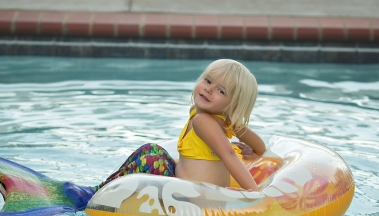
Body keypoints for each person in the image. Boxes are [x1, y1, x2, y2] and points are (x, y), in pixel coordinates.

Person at [95, 59, 265, 192]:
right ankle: (105, 188)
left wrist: (253, 192)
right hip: (184, 184)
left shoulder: (203, 121)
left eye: (221, 91)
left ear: (233, 105)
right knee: (151, 149)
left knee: (151, 160)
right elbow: (260, 147)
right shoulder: (216, 118)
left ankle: (102, 191)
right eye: (208, 81)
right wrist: (254, 150)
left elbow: (229, 154)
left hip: (192, 196)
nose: (209, 89)